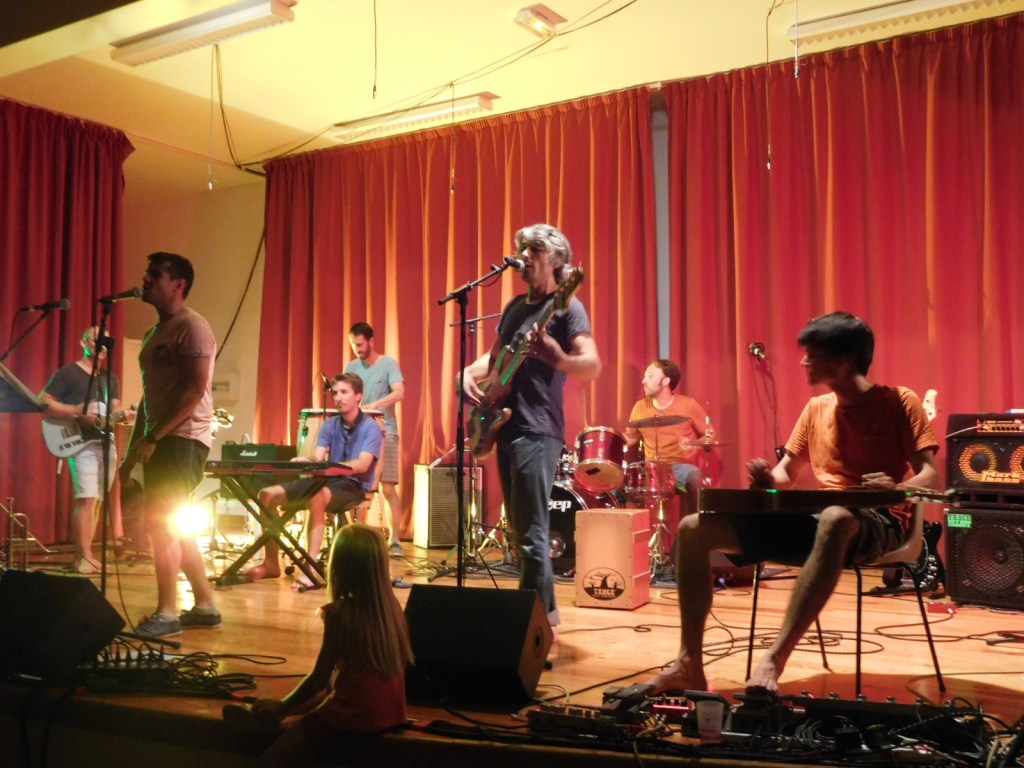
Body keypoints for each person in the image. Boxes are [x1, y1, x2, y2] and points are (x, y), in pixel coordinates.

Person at [651, 311, 939, 695]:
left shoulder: (899, 401)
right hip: (820, 519)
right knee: (693, 528)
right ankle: (689, 664)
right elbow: (786, 474)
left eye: (813, 354)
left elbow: (930, 475)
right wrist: (767, 479)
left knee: (836, 518)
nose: (803, 362)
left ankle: (773, 660)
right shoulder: (816, 409)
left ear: (846, 360)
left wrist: (898, 486)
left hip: (879, 520)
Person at [461, 223, 601, 654]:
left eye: (534, 249)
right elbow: (495, 359)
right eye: (522, 248)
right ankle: (545, 618)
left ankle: (537, 623)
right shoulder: (514, 307)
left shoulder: (568, 308)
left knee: (531, 532)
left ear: (556, 261)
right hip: (504, 424)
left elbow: (591, 364)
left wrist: (558, 357)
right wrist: (467, 373)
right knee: (522, 529)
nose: (523, 255)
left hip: (538, 428)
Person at [222, 523, 412, 768]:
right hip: (392, 714)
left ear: (339, 566)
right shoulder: (392, 610)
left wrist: (284, 705)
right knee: (328, 695)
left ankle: (273, 718)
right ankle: (276, 719)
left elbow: (318, 679)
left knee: (271, 760)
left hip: (352, 718)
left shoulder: (340, 614)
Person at [121, 252, 220, 639]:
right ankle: (206, 606)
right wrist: (133, 450)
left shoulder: (192, 327)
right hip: (161, 440)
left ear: (178, 284)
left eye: (155, 274)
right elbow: (148, 400)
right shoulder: (152, 335)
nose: (146, 280)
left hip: (183, 440)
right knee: (174, 524)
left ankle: (166, 613)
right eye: (146, 273)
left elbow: (194, 392)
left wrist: (154, 437)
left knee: (161, 523)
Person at [244, 372, 382, 586]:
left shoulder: (371, 427)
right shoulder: (329, 425)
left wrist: (329, 467)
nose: (338, 397)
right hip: (325, 481)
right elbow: (318, 458)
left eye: (344, 392)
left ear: (358, 396)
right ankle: (271, 564)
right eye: (335, 393)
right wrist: (306, 460)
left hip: (352, 484)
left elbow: (362, 465)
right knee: (267, 495)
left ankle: (310, 568)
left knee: (316, 495)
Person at [40, 326, 133, 574]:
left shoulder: (110, 378)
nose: (101, 346)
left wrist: (126, 414)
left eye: (106, 342)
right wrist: (76, 411)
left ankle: (85, 555)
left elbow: (115, 410)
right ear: (84, 343)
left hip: (105, 442)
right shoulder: (69, 373)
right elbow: (43, 401)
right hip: (80, 442)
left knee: (97, 501)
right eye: (96, 340)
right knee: (87, 498)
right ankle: (84, 556)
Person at [344, 322, 406, 556]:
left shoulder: (388, 364)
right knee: (356, 486)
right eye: (353, 345)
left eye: (360, 344)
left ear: (371, 341)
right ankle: (354, 537)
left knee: (387, 487)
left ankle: (395, 540)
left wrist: (373, 406)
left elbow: (399, 392)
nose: (357, 349)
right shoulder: (351, 367)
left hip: (385, 432)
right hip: (359, 433)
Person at [624, 359, 709, 518]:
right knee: (622, 482)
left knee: (695, 477)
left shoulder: (688, 405)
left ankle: (693, 526)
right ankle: (630, 529)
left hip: (679, 467)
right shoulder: (640, 407)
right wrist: (609, 439)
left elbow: (710, 435)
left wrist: (693, 444)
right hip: (650, 468)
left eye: (650, 376)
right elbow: (631, 437)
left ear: (665, 381)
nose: (644, 381)